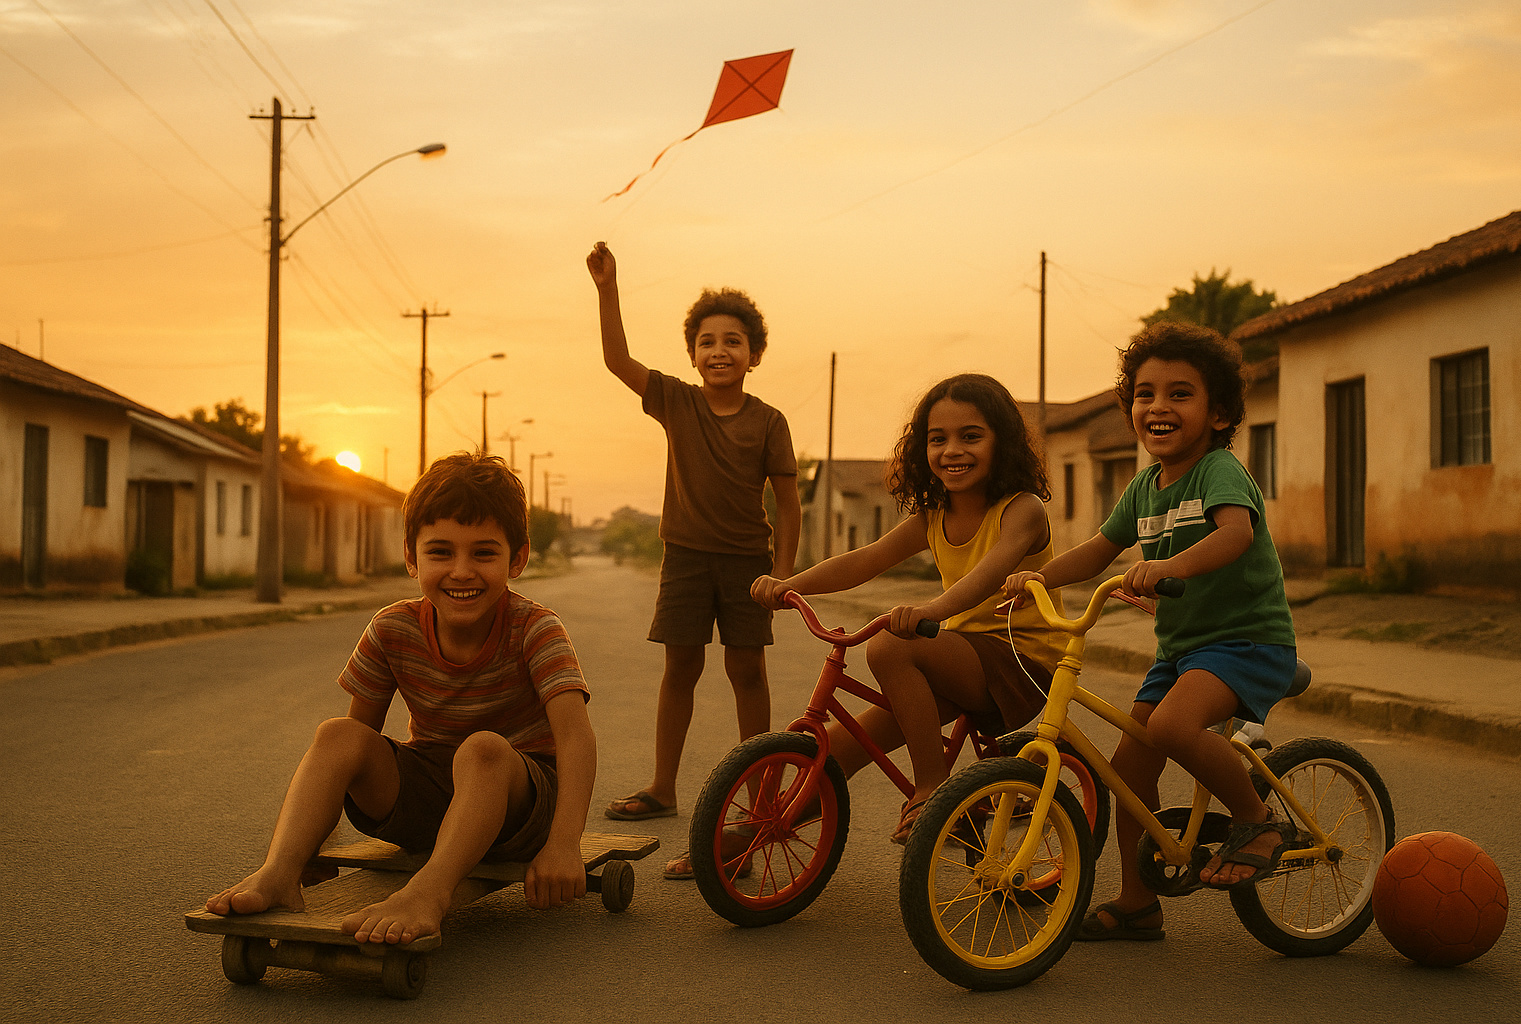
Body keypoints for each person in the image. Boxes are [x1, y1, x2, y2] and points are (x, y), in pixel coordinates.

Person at [205, 453, 597, 944]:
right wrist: (317, 845)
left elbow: (576, 739)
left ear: (517, 559)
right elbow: (356, 750)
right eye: (440, 553)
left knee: (482, 749)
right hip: (432, 794)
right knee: (337, 733)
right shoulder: (393, 627)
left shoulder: (536, 628)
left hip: (521, 801)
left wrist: (564, 843)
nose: (460, 572)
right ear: (411, 556)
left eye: (483, 553)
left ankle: (428, 893)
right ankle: (280, 871)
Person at [1004, 320, 1297, 942]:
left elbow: (1235, 534)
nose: (1158, 406)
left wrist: (1167, 565)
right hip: (1184, 652)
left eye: (1179, 394)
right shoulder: (1143, 488)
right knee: (1129, 773)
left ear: (1218, 414)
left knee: (1170, 726)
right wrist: (1035, 577)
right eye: (1144, 393)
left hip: (1248, 644)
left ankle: (1257, 818)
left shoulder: (1218, 471)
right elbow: (1097, 551)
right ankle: (1138, 904)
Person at [753, 373, 1069, 844]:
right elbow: (866, 559)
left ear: (1002, 443)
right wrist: (789, 585)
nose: (952, 451)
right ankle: (747, 838)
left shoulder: (1022, 510)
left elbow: (988, 576)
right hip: (961, 658)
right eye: (937, 439)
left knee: (890, 648)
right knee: (841, 748)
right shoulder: (934, 515)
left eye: (971, 437)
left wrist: (935, 610)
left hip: (1020, 662)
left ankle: (932, 789)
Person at [586, 241, 801, 879]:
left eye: (733, 341)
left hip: (745, 564)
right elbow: (615, 358)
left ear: (754, 355)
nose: (719, 352)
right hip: (683, 557)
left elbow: (788, 505)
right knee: (679, 669)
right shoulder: (676, 402)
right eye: (707, 342)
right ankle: (662, 787)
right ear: (693, 354)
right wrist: (607, 288)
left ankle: (759, 797)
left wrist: (781, 575)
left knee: (748, 675)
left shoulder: (769, 422)